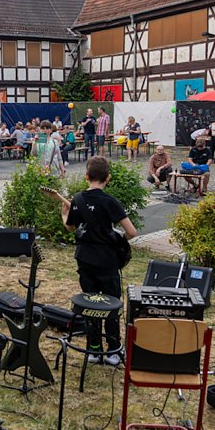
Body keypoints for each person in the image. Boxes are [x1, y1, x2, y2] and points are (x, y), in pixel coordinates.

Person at [60, 156, 137, 365]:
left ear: (86, 176)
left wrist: (64, 214)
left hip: (85, 259)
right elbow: (131, 231)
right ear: (108, 178)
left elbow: (71, 227)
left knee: (90, 302)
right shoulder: (110, 202)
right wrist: (116, 238)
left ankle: (93, 349)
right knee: (111, 303)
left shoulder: (78, 200)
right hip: (107, 261)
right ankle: (113, 350)